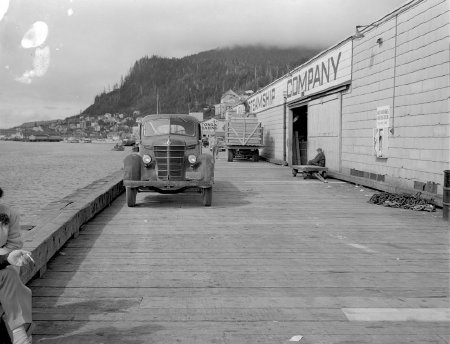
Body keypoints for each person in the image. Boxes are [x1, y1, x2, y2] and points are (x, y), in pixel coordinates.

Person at [0, 187, 33, 344]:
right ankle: (20, 330)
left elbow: (14, 244)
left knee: (9, 275)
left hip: (4, 263)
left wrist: (5, 258)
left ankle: (18, 331)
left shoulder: (8, 213)